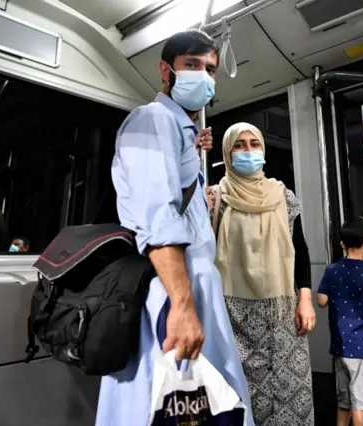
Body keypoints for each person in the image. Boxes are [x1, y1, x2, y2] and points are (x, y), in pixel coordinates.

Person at [95, 29, 252, 426]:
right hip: (172, 292)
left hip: (192, 288)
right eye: (193, 65)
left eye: (211, 69)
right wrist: (182, 306)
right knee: (167, 408)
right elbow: (157, 219)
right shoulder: (151, 119)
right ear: (167, 71)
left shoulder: (180, 134)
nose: (205, 77)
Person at [208, 122, 316, 425]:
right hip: (233, 319)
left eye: (254, 144)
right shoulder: (216, 199)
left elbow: (301, 251)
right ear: (228, 153)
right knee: (240, 401)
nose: (248, 151)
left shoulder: (283, 196)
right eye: (239, 145)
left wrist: (304, 299)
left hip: (282, 316)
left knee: (291, 399)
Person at [317, 217, 363, 426]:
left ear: (342, 245)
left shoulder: (332, 271)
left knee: (344, 402)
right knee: (360, 403)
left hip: (341, 347)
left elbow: (321, 301)